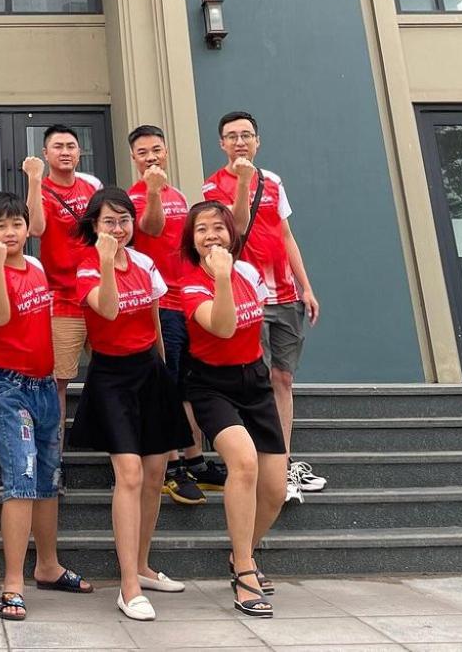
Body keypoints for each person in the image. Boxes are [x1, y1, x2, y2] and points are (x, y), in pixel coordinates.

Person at [70, 186, 190, 623]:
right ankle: (128, 586)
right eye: (109, 221)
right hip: (111, 377)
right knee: (131, 474)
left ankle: (142, 565)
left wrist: (163, 371)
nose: (118, 229)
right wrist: (106, 261)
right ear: (94, 225)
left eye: (124, 220)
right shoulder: (87, 266)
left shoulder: (144, 263)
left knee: (155, 474)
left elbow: (154, 320)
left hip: (149, 373)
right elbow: (107, 310)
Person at [0, 191, 92, 621]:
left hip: (44, 385)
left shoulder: (37, 266)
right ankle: (13, 583)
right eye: (0, 226)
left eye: (16, 224)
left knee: (48, 479)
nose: (10, 232)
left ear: (28, 228)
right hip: (9, 388)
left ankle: (48, 565)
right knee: (22, 480)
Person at [205, 112, 322, 500]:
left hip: (284, 293)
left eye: (246, 135)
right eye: (232, 136)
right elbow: (235, 228)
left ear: (257, 140)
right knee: (257, 378)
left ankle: (283, 463)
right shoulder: (213, 185)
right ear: (221, 143)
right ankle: (261, 462)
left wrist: (306, 287)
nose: (240, 142)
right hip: (247, 296)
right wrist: (241, 182)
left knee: (283, 378)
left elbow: (285, 235)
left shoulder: (273, 181)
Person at [179, 201, 288, 617]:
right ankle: (244, 571)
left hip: (253, 381)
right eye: (201, 229)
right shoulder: (190, 284)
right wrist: (222, 278)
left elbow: (253, 329)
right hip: (211, 386)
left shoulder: (250, 274)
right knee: (243, 462)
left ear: (232, 233)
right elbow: (223, 327)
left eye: (218, 227)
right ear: (191, 239)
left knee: (275, 489)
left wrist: (230, 274)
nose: (211, 236)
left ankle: (242, 551)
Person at [128, 124, 226, 506]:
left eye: (156, 149)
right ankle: (171, 467)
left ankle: (195, 459)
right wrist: (152, 191)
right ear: (134, 158)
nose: (151, 157)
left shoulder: (181, 196)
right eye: (142, 152)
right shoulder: (135, 197)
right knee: (165, 387)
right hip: (159, 305)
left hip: (188, 302)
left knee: (187, 386)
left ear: (166, 151)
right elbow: (150, 229)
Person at [30, 124, 101, 476]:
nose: (65, 152)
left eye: (71, 146)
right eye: (57, 146)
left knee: (114, 375)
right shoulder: (41, 190)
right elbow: (35, 229)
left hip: (99, 295)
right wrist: (33, 181)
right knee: (58, 382)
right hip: (62, 299)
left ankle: (117, 451)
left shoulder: (92, 187)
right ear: (46, 153)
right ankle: (52, 462)